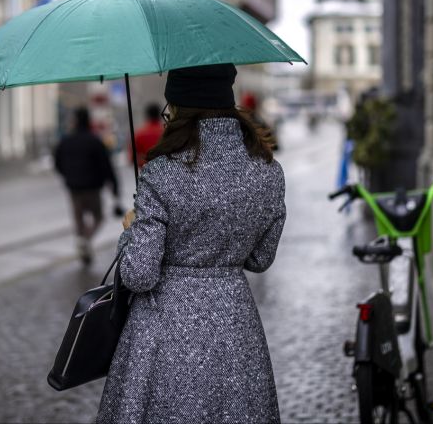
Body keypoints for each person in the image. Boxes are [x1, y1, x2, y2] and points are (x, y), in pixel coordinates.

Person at [98, 64, 287, 424]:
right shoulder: (269, 171)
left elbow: (139, 275)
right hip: (236, 324)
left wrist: (130, 231)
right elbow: (261, 258)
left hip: (165, 327)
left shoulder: (162, 173)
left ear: (179, 109)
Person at [54, 107, 120, 266]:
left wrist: (68, 176)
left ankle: (83, 242)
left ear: (75, 121)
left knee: (79, 219)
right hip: (93, 187)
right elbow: (106, 165)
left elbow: (57, 162)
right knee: (98, 217)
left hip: (74, 188)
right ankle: (86, 240)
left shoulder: (65, 141)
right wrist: (114, 186)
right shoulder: (95, 141)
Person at [128, 103, 164, 169]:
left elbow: (132, 158)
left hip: (147, 173)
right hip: (167, 173)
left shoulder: (139, 134)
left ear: (147, 115)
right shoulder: (166, 131)